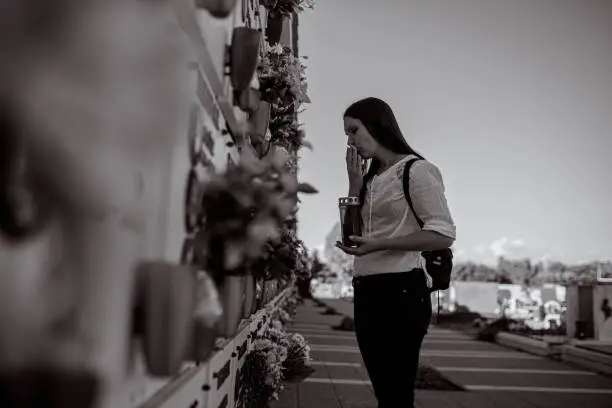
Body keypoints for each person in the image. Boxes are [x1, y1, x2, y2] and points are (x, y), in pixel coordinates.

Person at [335, 97, 456, 408]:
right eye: (346, 133)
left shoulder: (417, 171)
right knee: (384, 393)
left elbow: (443, 233)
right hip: (366, 289)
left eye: (353, 130)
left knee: (396, 394)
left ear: (376, 126)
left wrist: (383, 244)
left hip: (401, 291)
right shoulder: (370, 178)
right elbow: (354, 236)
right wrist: (354, 185)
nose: (349, 140)